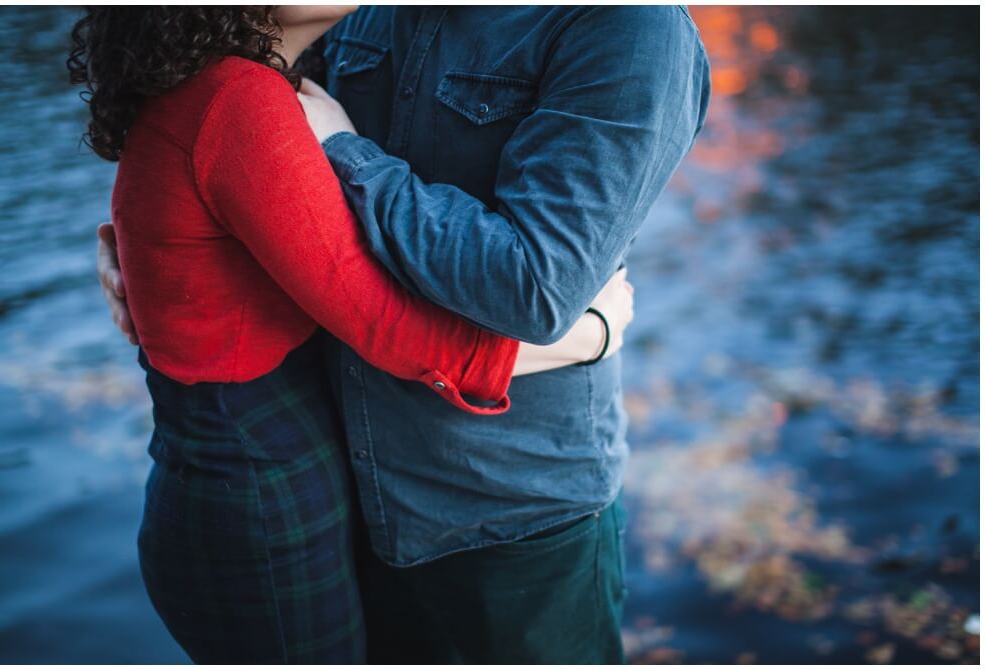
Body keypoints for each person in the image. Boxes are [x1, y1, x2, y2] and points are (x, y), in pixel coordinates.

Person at [73, 6, 634, 664]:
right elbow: (382, 322)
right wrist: (586, 337)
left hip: (238, 479)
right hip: (259, 499)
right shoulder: (239, 97)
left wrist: (143, 260)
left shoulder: (240, 83)